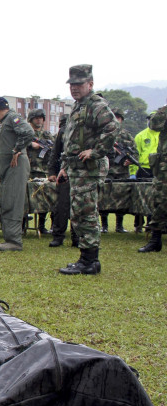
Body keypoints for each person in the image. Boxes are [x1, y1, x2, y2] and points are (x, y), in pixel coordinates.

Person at [57, 64, 117, 274]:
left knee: (87, 212)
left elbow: (111, 128)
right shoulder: (78, 105)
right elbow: (71, 140)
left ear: (90, 84)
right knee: (78, 212)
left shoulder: (95, 104)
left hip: (89, 169)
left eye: (79, 84)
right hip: (76, 169)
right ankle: (85, 258)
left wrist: (96, 151)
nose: (74, 88)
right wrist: (64, 166)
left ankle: (91, 261)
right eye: (72, 84)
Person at [0, 97, 35, 251]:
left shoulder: (12, 118)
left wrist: (17, 149)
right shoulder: (7, 121)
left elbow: (28, 132)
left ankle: (14, 241)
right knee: (8, 200)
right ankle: (11, 238)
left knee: (13, 201)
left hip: (16, 166)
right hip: (10, 168)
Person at [47, 114, 79, 247]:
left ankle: (77, 237)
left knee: (80, 206)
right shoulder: (64, 131)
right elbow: (56, 152)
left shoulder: (91, 131)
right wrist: (52, 171)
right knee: (62, 205)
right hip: (65, 171)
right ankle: (58, 236)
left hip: (83, 172)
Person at [138, 105, 166, 252]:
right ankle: (155, 239)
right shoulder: (164, 113)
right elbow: (154, 125)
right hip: (164, 169)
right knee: (160, 200)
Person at [104, 108, 135, 233]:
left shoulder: (127, 135)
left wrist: (130, 160)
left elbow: (135, 152)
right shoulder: (105, 133)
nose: (116, 119)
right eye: (114, 117)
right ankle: (104, 225)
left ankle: (119, 225)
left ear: (121, 119)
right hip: (108, 171)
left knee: (121, 198)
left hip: (122, 171)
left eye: (118, 117)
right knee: (104, 197)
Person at [26, 108, 54, 234]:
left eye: (41, 118)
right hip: (28, 169)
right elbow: (16, 144)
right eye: (36, 118)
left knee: (43, 198)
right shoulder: (26, 134)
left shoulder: (47, 135)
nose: (39, 120)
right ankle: (23, 225)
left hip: (43, 170)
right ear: (31, 119)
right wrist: (30, 144)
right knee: (25, 198)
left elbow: (54, 149)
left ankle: (42, 225)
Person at [132, 112, 159, 232]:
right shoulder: (141, 135)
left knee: (154, 198)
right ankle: (138, 225)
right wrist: (132, 172)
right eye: (150, 119)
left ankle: (150, 224)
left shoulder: (163, 135)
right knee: (140, 198)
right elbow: (134, 155)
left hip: (158, 170)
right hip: (143, 169)